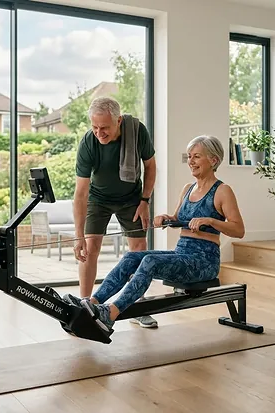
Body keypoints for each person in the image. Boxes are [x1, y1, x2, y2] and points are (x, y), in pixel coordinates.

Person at [66, 134, 245, 336]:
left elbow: (239, 230)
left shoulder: (222, 191)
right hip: (182, 253)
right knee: (131, 257)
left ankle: (110, 315)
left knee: (150, 260)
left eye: (196, 156)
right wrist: (166, 218)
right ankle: (91, 303)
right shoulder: (188, 188)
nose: (191, 162)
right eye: (189, 157)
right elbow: (178, 218)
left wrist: (210, 221)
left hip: (204, 260)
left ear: (213, 160)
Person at [71, 96, 158, 328]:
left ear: (119, 121)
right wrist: (78, 235)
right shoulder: (88, 142)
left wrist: (145, 200)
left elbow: (150, 166)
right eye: (94, 127)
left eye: (105, 127)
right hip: (98, 198)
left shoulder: (137, 132)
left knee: (139, 250)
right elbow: (80, 193)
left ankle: (136, 305)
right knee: (89, 248)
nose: (99, 132)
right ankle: (84, 306)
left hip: (132, 198)